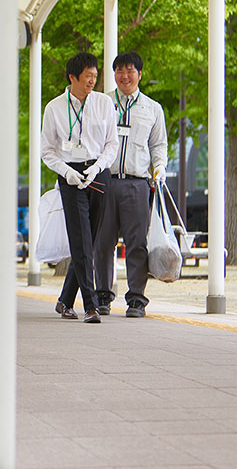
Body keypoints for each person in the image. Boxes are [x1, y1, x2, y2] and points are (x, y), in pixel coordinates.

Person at [41, 51, 118, 324]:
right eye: (88, 76)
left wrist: (97, 167)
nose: (92, 81)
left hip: (98, 174)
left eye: (95, 76)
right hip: (70, 175)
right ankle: (91, 305)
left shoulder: (104, 104)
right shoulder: (54, 108)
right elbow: (47, 151)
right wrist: (67, 172)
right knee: (82, 241)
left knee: (87, 242)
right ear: (73, 77)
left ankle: (64, 301)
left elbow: (112, 144)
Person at [93, 51, 167, 318]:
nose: (125, 76)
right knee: (102, 242)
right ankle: (102, 294)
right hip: (104, 181)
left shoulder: (152, 108)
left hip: (137, 184)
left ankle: (136, 298)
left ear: (140, 74)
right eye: (119, 71)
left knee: (137, 244)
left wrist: (159, 169)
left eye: (130, 70)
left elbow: (158, 145)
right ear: (113, 74)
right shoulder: (101, 103)